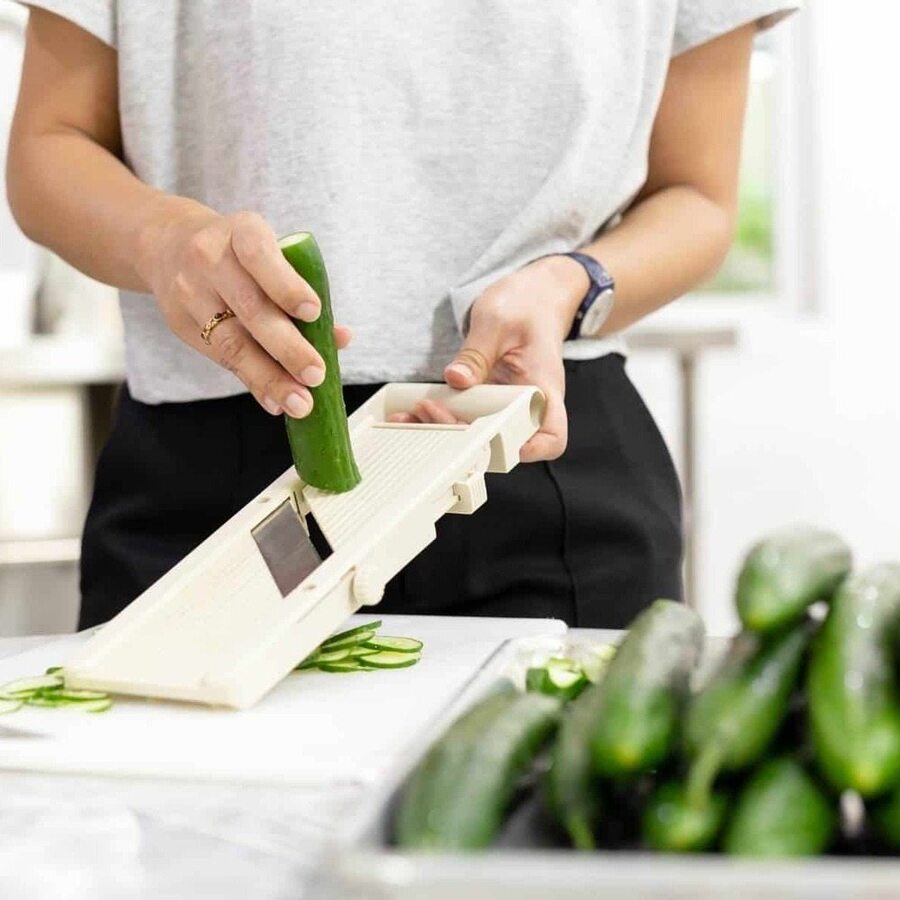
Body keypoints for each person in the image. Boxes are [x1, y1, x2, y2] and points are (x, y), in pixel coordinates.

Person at [7, 1, 800, 630]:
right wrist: (166, 242)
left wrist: (571, 282)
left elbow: (697, 197)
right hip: (219, 468)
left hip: (532, 448)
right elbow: (49, 144)